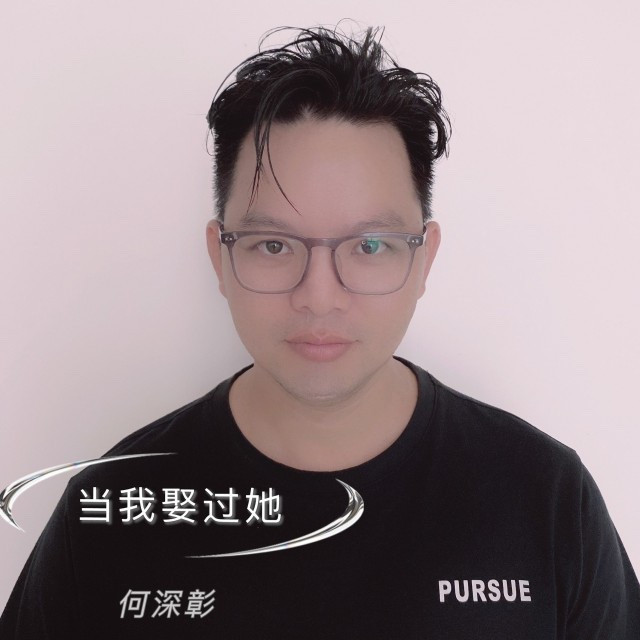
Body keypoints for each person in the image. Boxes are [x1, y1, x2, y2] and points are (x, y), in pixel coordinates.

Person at [1, 24, 639, 639]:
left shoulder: (544, 497)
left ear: (424, 259)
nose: (319, 297)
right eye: (274, 245)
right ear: (220, 257)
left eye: (370, 245)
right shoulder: (113, 506)